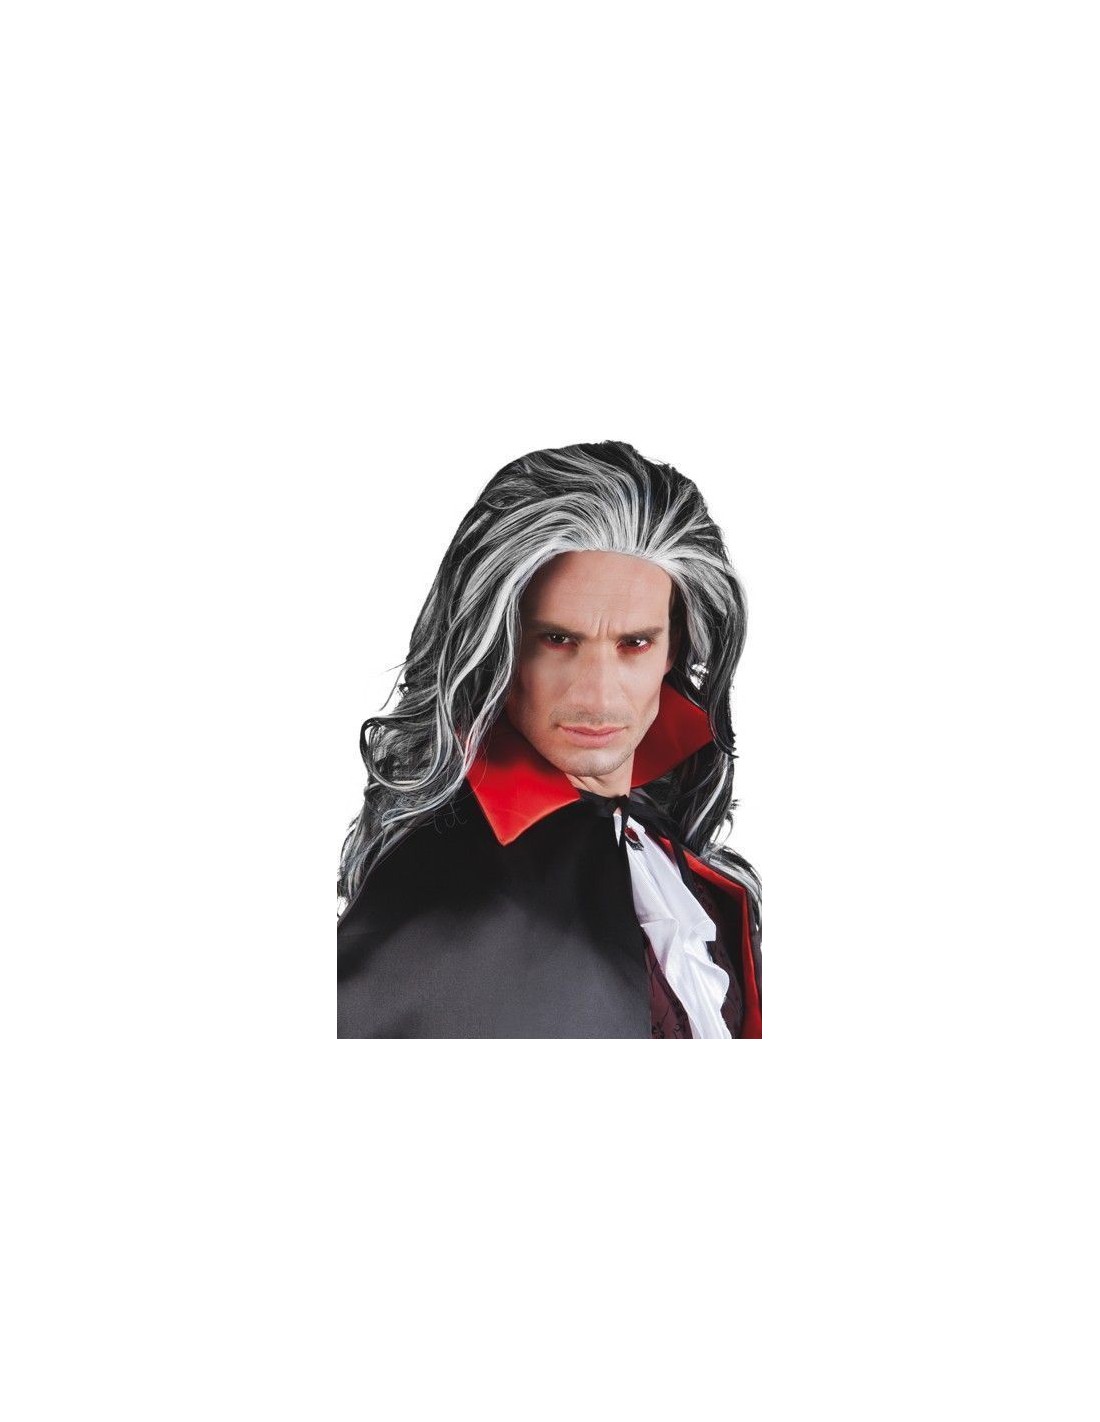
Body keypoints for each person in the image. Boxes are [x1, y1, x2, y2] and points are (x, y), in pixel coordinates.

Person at [337, 440, 762, 1038]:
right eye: (558, 640)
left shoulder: (664, 847)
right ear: (498, 646)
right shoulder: (441, 905)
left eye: (634, 644)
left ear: (677, 648)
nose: (598, 696)